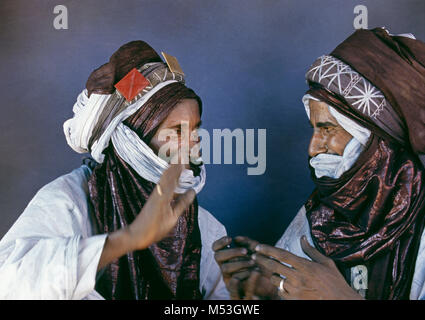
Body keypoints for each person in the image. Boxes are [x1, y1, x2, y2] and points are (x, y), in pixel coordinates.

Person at [0, 41, 229, 300]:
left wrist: (246, 298)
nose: (194, 142)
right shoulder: (69, 202)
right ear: (134, 138)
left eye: (196, 129)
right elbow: (9, 283)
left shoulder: (202, 226)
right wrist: (127, 239)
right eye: (177, 131)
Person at [213, 27, 425, 300]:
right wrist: (261, 292)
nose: (313, 148)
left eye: (327, 129)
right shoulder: (320, 216)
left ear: (376, 141)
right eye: (313, 130)